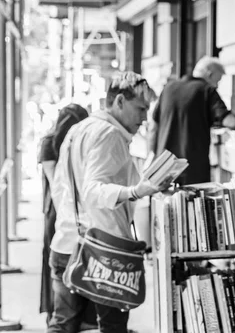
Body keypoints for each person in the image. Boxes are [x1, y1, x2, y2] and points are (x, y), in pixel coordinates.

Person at [48, 72, 164, 333]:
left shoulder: (79, 129)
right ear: (120, 101)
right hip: (103, 250)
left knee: (63, 325)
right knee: (112, 327)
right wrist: (135, 191)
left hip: (67, 243)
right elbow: (93, 190)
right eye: (141, 108)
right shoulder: (109, 134)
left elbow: (61, 187)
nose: (145, 118)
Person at [151, 56, 235, 185]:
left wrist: (153, 155)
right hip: (192, 171)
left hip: (164, 168)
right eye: (218, 81)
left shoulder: (168, 88)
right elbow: (231, 122)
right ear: (210, 74)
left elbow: (153, 126)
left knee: (163, 204)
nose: (217, 85)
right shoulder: (206, 90)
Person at [38, 104, 89, 325]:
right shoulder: (50, 143)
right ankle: (59, 315)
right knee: (61, 263)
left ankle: (73, 317)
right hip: (60, 212)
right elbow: (56, 187)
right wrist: (69, 218)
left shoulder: (76, 141)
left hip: (73, 212)